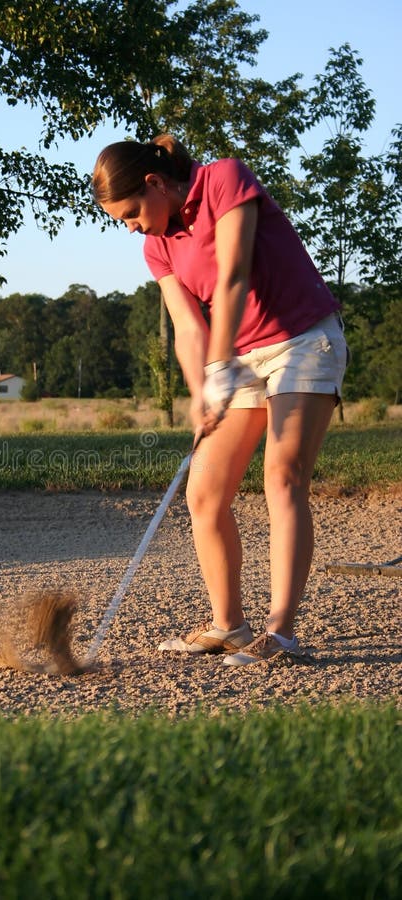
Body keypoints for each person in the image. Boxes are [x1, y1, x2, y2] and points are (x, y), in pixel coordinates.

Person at [92, 135, 348, 666]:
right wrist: (201, 392)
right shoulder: (156, 245)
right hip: (237, 358)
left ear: (155, 183)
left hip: (302, 340)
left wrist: (218, 366)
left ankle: (280, 633)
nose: (132, 227)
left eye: (133, 213)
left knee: (283, 475)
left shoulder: (225, 180)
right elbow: (188, 326)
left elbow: (232, 277)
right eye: (122, 222)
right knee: (204, 491)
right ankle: (228, 625)